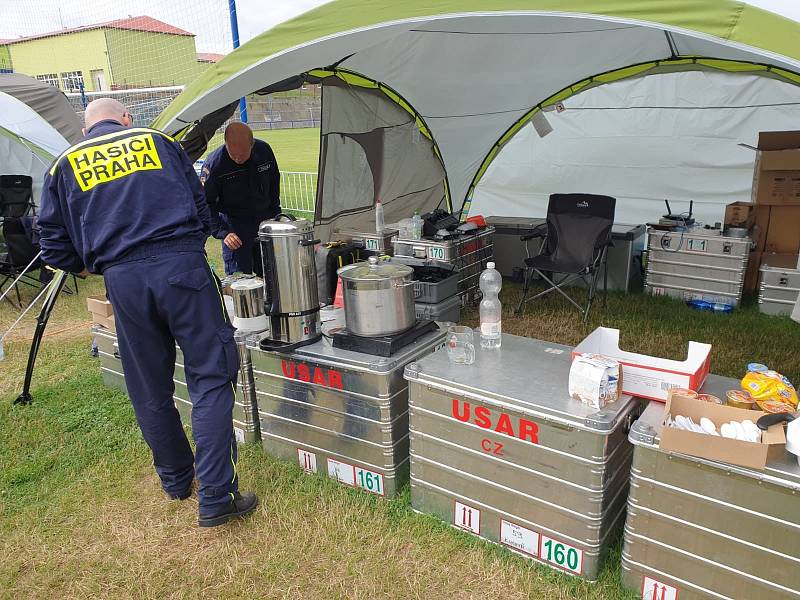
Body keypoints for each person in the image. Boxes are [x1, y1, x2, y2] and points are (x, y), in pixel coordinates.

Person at [37, 98, 258, 528]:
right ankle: (215, 495)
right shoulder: (158, 141)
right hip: (183, 269)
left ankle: (177, 481)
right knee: (211, 377)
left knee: (148, 387)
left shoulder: (63, 164)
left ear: (86, 130)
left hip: (123, 282)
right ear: (125, 119)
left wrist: (101, 266)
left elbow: (52, 241)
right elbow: (200, 206)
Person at [200, 122, 281, 275]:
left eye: (243, 154)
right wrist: (222, 232)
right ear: (226, 144)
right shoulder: (214, 163)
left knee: (270, 274)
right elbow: (205, 204)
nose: (237, 159)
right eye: (233, 154)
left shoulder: (264, 151)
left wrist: (275, 215)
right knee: (240, 280)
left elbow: (274, 183)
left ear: (252, 144)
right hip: (234, 228)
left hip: (264, 222)